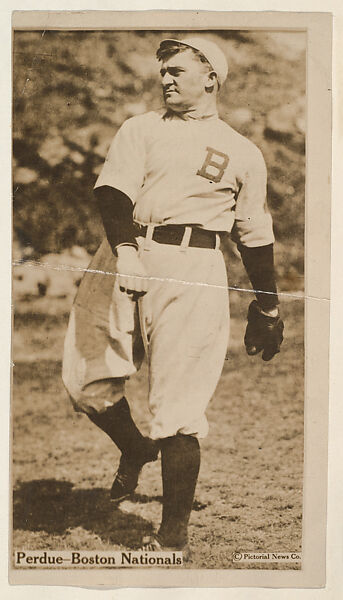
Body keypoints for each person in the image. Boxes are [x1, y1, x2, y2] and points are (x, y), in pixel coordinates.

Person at [62, 37, 284, 557]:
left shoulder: (242, 151)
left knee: (179, 406)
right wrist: (126, 249)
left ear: (211, 77)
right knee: (83, 380)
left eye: (178, 70)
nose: (165, 78)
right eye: (162, 70)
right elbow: (112, 193)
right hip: (123, 252)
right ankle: (135, 448)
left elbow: (253, 234)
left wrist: (268, 305)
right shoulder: (139, 128)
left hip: (194, 265)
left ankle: (171, 538)